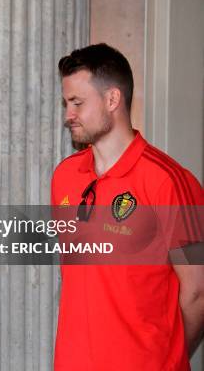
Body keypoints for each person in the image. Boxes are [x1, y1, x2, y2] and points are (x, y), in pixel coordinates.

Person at [52, 43, 203, 370]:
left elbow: (198, 293)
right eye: (66, 103)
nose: (68, 115)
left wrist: (168, 356)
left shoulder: (170, 181)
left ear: (112, 100)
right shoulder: (64, 176)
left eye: (77, 103)